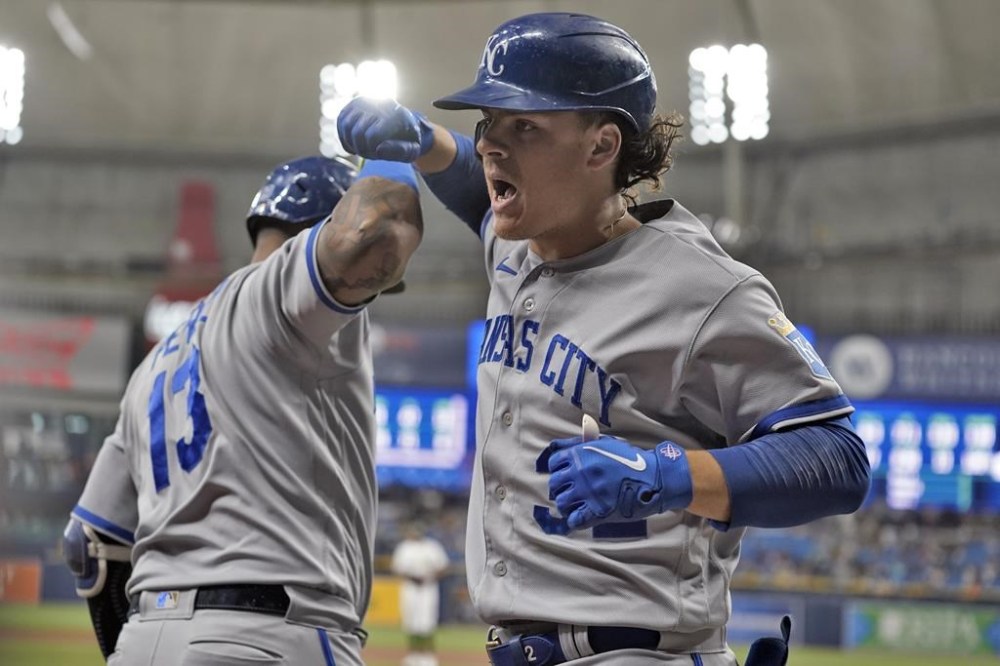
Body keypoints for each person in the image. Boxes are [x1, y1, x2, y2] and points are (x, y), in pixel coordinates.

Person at [336, 11, 871, 666]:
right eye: (487, 126)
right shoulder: (519, 248)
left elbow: (838, 458)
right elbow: (485, 197)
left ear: (601, 146)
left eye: (524, 126)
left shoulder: (703, 287)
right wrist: (424, 142)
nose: (490, 145)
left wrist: (668, 474)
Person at [61, 155, 423, 665]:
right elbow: (373, 230)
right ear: (316, 231)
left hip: (143, 638)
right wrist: (392, 160)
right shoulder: (279, 299)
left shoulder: (154, 366)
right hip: (270, 634)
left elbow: (87, 541)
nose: (369, 291)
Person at [390, 523, 451, 666]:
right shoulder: (404, 547)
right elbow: (396, 568)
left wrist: (429, 577)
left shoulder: (432, 547)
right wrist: (412, 576)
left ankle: (428, 656)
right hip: (410, 587)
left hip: (428, 587)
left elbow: (444, 567)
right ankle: (413, 655)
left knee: (427, 623)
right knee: (410, 622)